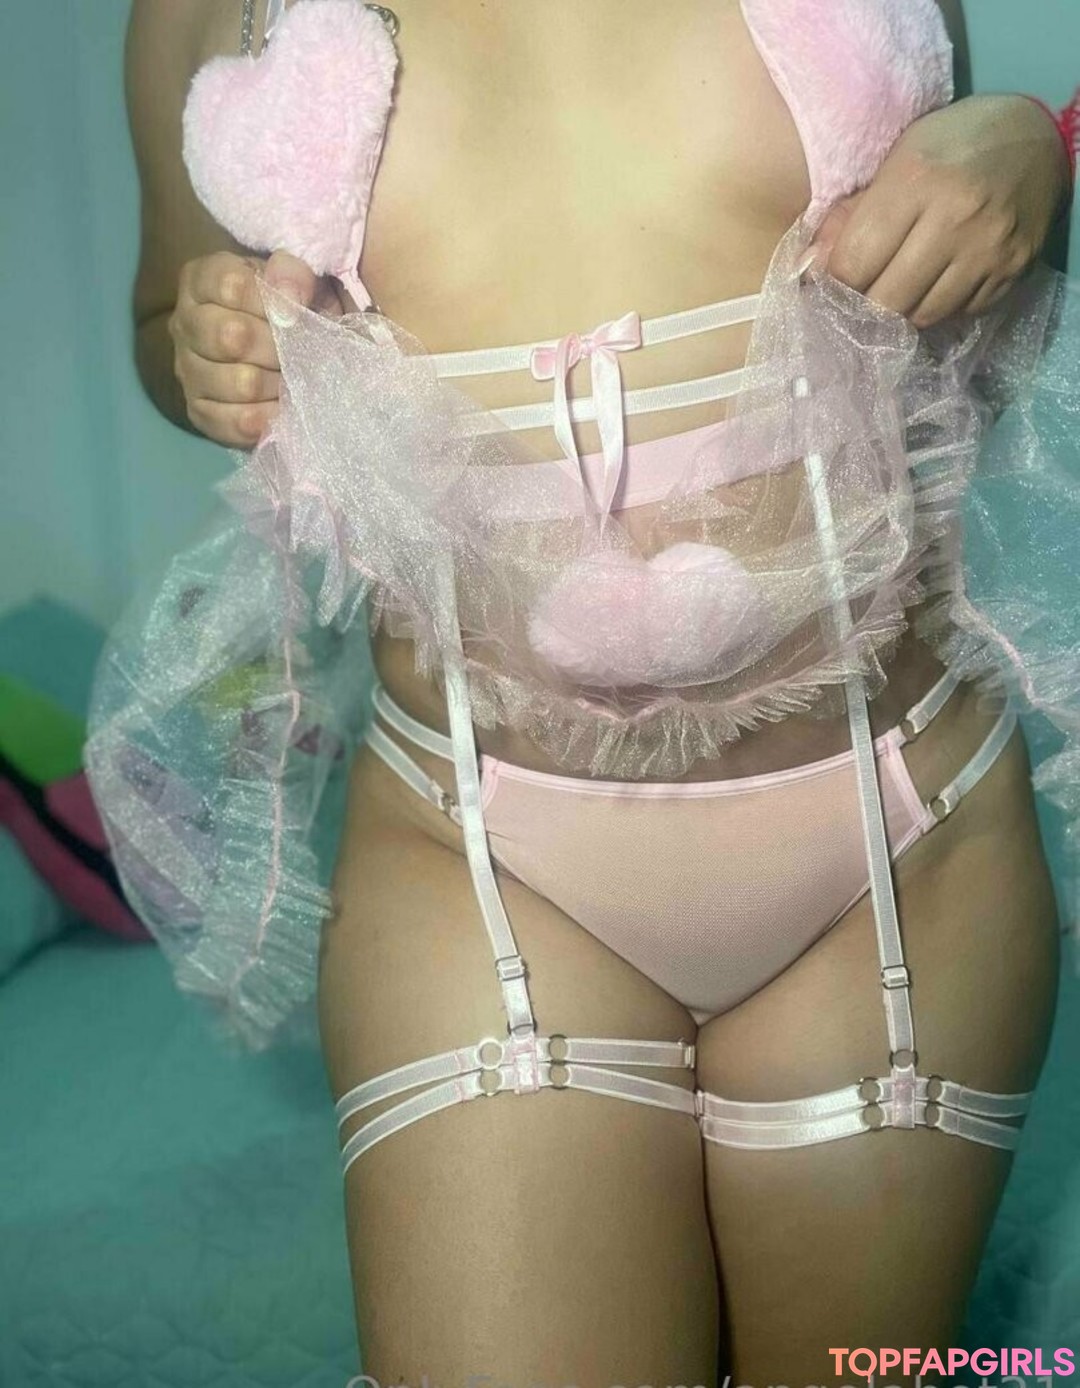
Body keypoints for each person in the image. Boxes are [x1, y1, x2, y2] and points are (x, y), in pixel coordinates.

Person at [108, 0, 1077, 1380]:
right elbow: (164, 315)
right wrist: (200, 349)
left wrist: (1034, 157)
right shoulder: (195, 11)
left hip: (895, 845)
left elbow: (955, 303)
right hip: (480, 863)